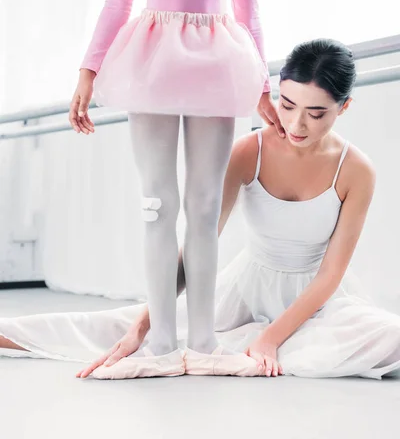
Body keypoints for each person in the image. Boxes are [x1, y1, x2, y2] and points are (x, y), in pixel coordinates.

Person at [1, 38, 399, 380]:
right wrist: (144, 324)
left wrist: (271, 337)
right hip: (245, 289)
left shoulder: (357, 170)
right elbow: (199, 240)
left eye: (316, 114)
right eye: (288, 104)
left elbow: (331, 274)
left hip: (319, 299)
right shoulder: (249, 151)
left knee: (390, 337)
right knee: (136, 325)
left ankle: (258, 345)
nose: (295, 124)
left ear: (343, 108)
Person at [69, 0, 282, 377]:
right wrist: (89, 71)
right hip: (154, 65)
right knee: (157, 204)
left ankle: (203, 337)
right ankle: (163, 337)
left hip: (218, 66)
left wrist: (263, 86)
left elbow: (249, 13)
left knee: (206, 206)